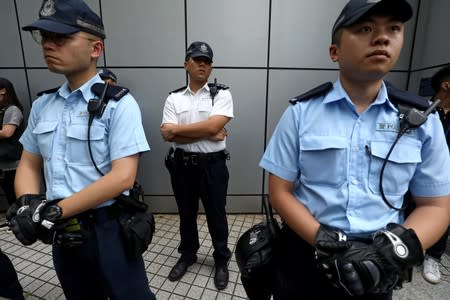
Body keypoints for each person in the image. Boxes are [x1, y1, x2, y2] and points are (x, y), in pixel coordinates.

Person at [259, 0, 450, 299]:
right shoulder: (301, 113)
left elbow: (436, 206)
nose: (382, 37)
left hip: (380, 263)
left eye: (394, 29)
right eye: (365, 28)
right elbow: (280, 191)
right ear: (334, 52)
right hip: (308, 253)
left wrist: (393, 254)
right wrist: (320, 239)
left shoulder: (423, 120)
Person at [6, 1, 155, 299]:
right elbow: (29, 164)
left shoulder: (119, 104)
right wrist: (27, 204)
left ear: (95, 49)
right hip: (62, 233)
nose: (49, 45)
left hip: (109, 229)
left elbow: (123, 176)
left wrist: (54, 210)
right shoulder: (42, 105)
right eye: (45, 37)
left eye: (60, 38)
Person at [161, 41, 233, 290]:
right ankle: (188, 254)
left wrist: (181, 131)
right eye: (198, 59)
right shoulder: (173, 98)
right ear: (186, 64)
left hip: (213, 167)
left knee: (217, 214)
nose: (203, 64)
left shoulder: (222, 94)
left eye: (208, 61)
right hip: (181, 167)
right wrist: (208, 133)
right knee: (186, 214)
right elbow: (167, 136)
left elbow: (211, 128)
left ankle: (222, 259)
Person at [421, 65, 450, 284]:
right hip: (418, 171)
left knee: (444, 214)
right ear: (446, 84)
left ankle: (433, 257)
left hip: (447, 176)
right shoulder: (421, 109)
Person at [0, 78, 24, 206]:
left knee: (16, 199)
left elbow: (7, 132)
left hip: (13, 164)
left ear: (3, 91)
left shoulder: (12, 110)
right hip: (4, 164)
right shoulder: (3, 110)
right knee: (11, 199)